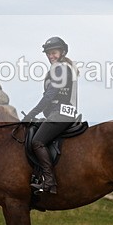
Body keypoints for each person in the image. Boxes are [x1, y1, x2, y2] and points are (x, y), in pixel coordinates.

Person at [22, 37, 79, 194]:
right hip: (58, 113)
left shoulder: (61, 69)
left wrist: (31, 114)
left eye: (54, 53)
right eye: (48, 53)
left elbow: (49, 96)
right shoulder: (61, 69)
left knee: (37, 142)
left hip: (61, 114)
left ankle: (49, 182)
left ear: (62, 52)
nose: (51, 56)